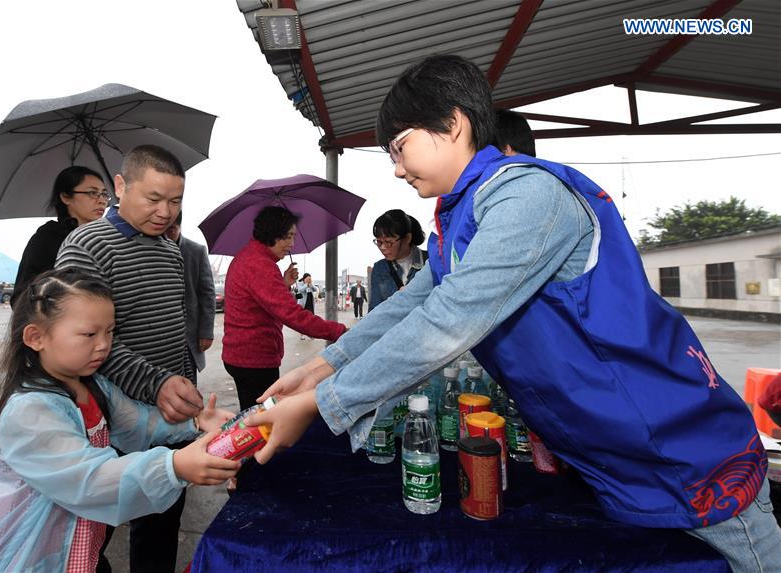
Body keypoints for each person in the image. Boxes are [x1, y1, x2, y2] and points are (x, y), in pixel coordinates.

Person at [247, 54, 781, 572]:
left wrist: (323, 403)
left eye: (400, 146)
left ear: (452, 125)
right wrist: (319, 368)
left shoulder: (528, 197)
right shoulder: (461, 223)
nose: (396, 168)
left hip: (683, 447)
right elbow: (413, 305)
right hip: (615, 457)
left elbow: (451, 318)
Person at [0, 268, 239, 573]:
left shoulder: (92, 385)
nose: (103, 345)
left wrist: (194, 422)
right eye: (89, 334)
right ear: (36, 337)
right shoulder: (29, 411)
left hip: (76, 543)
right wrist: (174, 466)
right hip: (22, 554)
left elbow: (137, 422)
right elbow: (91, 479)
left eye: (110, 332)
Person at [56, 145, 202, 573]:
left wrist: (182, 380)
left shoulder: (172, 249)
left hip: (172, 412)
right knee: (93, 530)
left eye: (175, 202)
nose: (165, 212)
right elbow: (85, 341)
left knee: (161, 523)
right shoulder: (86, 245)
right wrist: (154, 383)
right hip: (111, 417)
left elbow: (173, 326)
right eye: (153, 199)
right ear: (121, 186)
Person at [222, 205, 346, 411]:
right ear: (272, 233)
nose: (292, 243)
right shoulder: (259, 264)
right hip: (254, 359)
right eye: (288, 237)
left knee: (253, 415)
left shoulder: (251, 257)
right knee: (260, 423)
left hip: (242, 355)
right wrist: (339, 331)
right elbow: (291, 314)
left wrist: (284, 283)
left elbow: (260, 301)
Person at [13, 165, 109, 305]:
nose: (102, 200)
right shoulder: (47, 237)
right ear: (65, 197)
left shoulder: (107, 236)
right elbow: (21, 296)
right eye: (92, 193)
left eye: (104, 193)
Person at [165, 211, 216, 383]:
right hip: (163, 334)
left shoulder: (196, 251)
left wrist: (206, 332)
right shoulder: (151, 247)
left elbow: (208, 294)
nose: (167, 234)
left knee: (188, 384)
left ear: (179, 226)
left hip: (188, 334)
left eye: (171, 229)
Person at [367, 209, 427, 313]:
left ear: (407, 238)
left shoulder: (430, 262)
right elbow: (374, 312)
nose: (383, 247)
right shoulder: (379, 269)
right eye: (379, 242)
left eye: (389, 242)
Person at [296, 273, 319, 339]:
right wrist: (306, 284)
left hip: (310, 303)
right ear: (304, 278)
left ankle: (310, 334)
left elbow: (315, 289)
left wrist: (311, 285)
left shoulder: (310, 284)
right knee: (303, 320)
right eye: (307, 278)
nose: (309, 280)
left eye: (310, 278)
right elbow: (300, 290)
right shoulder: (300, 283)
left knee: (311, 319)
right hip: (303, 304)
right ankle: (302, 334)